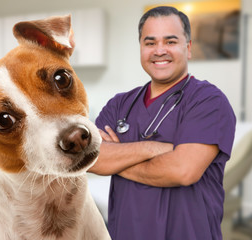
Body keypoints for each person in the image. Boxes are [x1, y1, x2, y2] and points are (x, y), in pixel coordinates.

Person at [88, 6, 236, 240]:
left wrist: (117, 158)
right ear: (141, 48)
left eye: (170, 41)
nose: (159, 51)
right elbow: (92, 159)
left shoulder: (208, 101)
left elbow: (182, 171)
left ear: (187, 49)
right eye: (150, 43)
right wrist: (153, 148)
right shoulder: (119, 105)